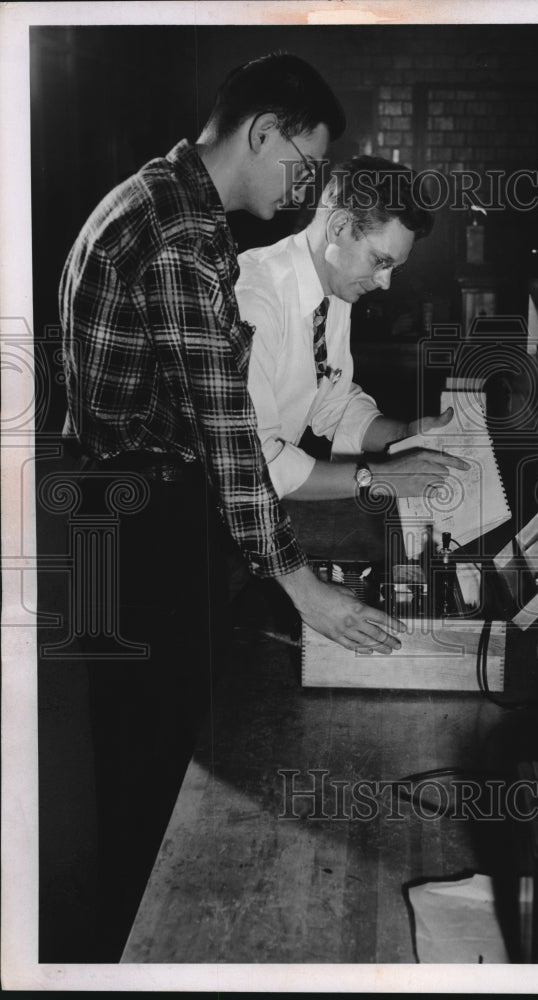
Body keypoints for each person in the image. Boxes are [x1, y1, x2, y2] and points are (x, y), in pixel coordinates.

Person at [57, 54, 409, 959]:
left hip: (123, 509)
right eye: (305, 162)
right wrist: (305, 587)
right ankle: (135, 956)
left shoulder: (165, 203)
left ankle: (135, 936)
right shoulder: (181, 230)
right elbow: (226, 430)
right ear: (263, 132)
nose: (307, 188)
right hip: (132, 517)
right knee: (154, 765)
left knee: (162, 750)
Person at [236, 155, 468, 502]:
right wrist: (376, 477)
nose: (385, 283)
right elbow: (255, 462)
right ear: (340, 226)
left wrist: (405, 435)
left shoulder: (332, 290)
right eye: (380, 261)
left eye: (393, 268)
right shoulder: (255, 299)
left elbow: (334, 402)